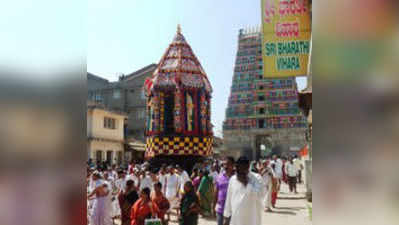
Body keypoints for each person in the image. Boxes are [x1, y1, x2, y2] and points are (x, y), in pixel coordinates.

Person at [223, 156, 267, 225]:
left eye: (243, 167)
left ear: (248, 166)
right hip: (236, 220)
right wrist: (226, 216)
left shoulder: (257, 178)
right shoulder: (233, 179)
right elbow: (229, 199)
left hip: (252, 220)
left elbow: (261, 194)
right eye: (238, 167)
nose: (240, 170)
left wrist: (246, 183)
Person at [214, 157, 235, 225]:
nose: (226, 166)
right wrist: (213, 205)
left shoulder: (237, 178)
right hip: (220, 210)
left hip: (233, 211)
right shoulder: (219, 177)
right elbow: (215, 192)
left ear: (233, 165)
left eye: (228, 164)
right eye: (224, 164)